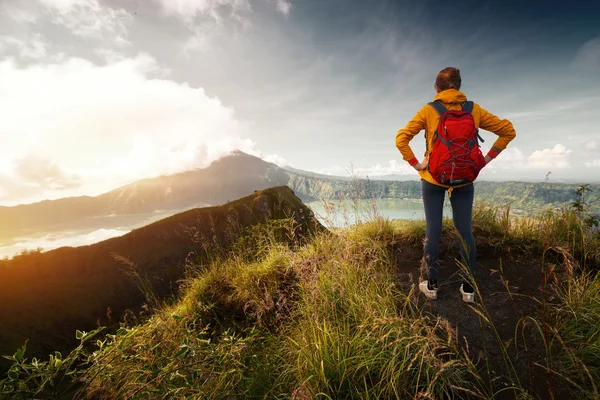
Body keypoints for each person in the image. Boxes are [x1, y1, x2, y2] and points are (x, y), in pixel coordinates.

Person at [395, 67, 516, 303]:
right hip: (465, 179)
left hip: (433, 179)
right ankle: (468, 289)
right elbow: (508, 131)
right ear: (458, 88)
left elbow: (401, 139)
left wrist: (417, 165)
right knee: (465, 231)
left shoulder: (429, 110)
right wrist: (483, 160)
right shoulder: (474, 110)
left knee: (434, 230)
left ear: (437, 88)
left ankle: (431, 285)